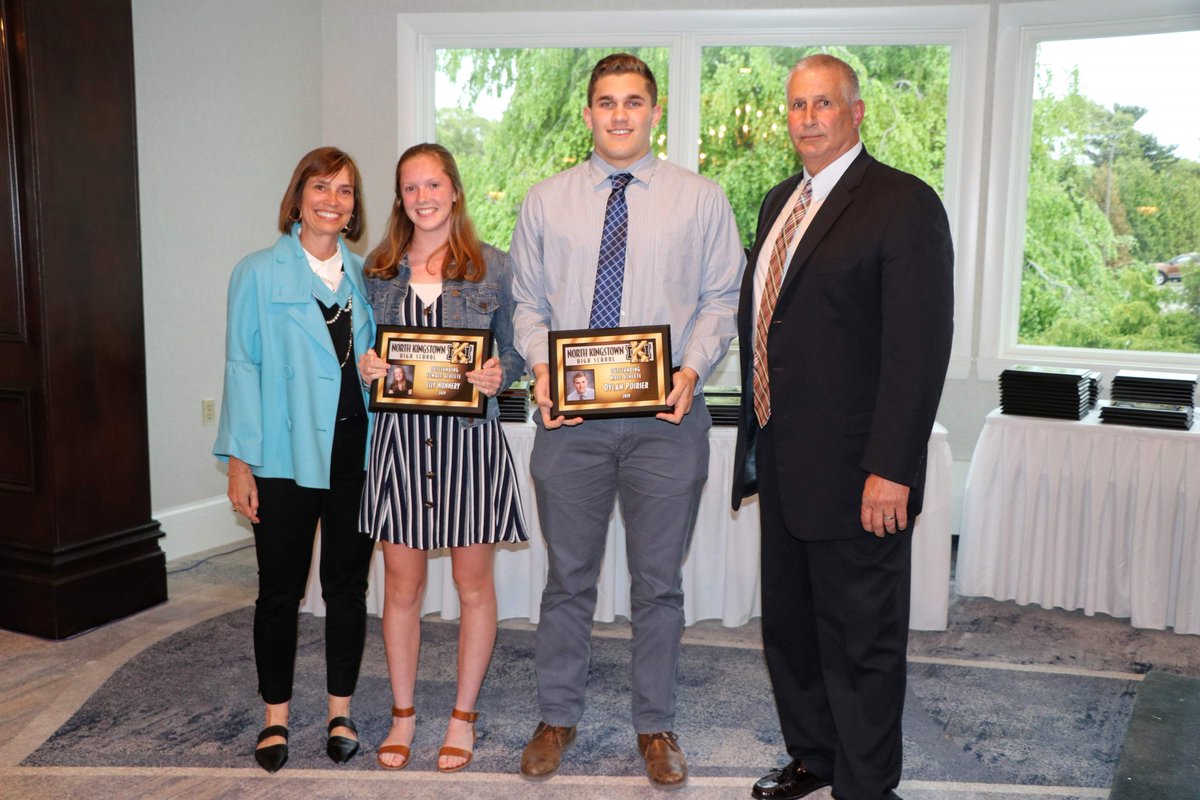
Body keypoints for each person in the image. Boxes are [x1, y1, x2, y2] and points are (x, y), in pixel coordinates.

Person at [509, 53, 744, 790]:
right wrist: (544, 372)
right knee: (567, 580)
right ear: (588, 114)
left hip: (666, 422)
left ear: (654, 112)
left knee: (658, 586)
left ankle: (656, 726)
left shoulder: (702, 199)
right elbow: (526, 305)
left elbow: (721, 299)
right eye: (606, 102)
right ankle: (556, 716)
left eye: (633, 102)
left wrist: (689, 371)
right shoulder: (544, 202)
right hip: (570, 423)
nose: (619, 115)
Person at [730, 54, 953, 800]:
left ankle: (864, 784)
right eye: (798, 105)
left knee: (863, 643)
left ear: (857, 113)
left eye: (825, 103)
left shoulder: (902, 203)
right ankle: (815, 758)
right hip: (785, 467)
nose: (809, 118)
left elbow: (917, 351)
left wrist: (892, 466)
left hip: (861, 476)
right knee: (791, 635)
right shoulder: (776, 203)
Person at [357, 142, 528, 773]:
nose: (423, 198)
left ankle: (462, 717)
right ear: (400, 198)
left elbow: (514, 351)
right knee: (401, 588)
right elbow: (362, 354)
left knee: (472, 586)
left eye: (434, 185)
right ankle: (404, 715)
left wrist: (498, 375)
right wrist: (368, 365)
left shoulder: (496, 268)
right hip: (400, 446)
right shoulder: (377, 272)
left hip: (469, 445)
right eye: (410, 188)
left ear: (454, 190)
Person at [214, 147, 377, 773]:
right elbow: (241, 367)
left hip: (354, 456)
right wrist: (238, 462)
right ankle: (275, 718)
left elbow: (376, 363)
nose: (333, 200)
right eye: (321, 187)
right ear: (299, 195)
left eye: (345, 191)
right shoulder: (256, 273)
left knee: (347, 588)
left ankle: (340, 709)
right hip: (281, 457)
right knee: (278, 591)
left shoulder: (366, 276)